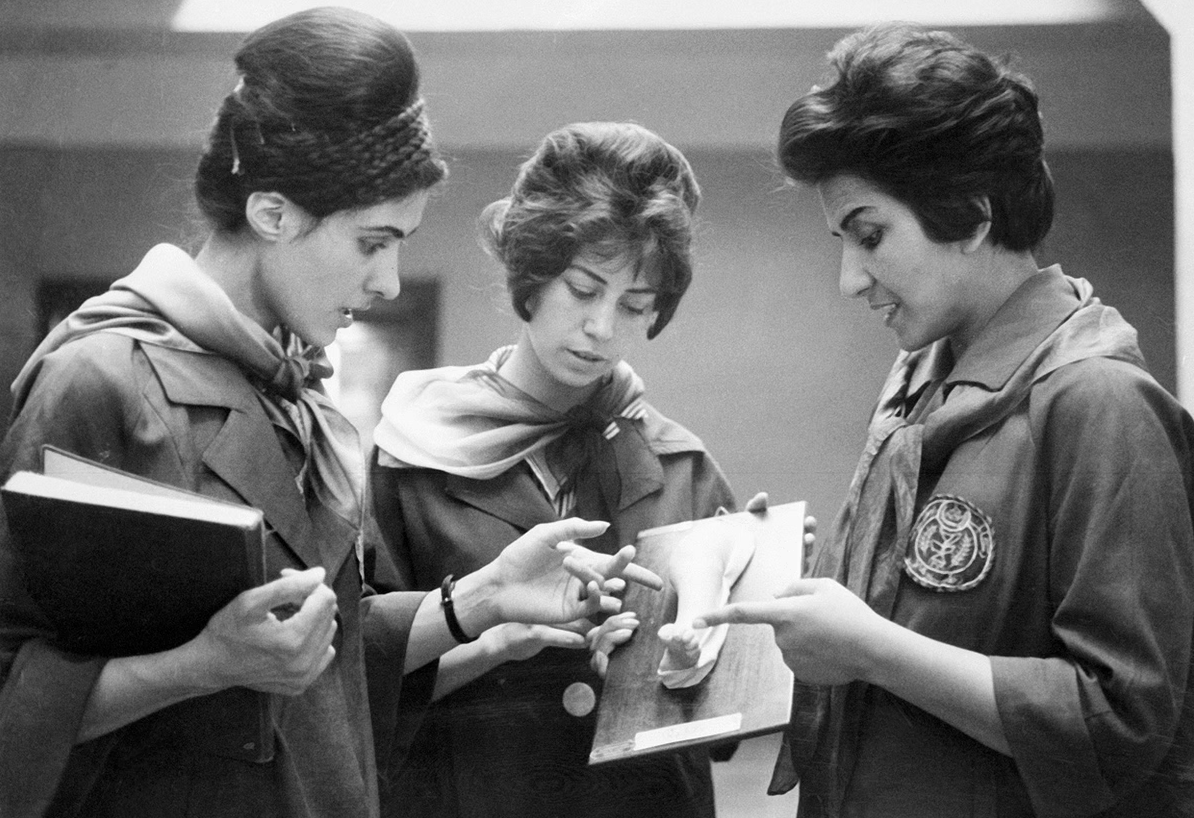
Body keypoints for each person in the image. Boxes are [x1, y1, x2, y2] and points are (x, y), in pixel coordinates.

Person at [0, 9, 656, 817]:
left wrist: (479, 600)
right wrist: (202, 665)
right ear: (272, 214)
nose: (388, 281)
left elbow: (327, 668)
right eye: (373, 242)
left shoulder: (297, 396)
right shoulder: (97, 377)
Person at [696, 22, 1194, 817]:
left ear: (969, 213)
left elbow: (1117, 721)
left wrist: (871, 648)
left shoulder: (1099, 403)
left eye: (869, 235)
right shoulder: (917, 390)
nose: (850, 279)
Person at [367, 121, 739, 818]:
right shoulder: (408, 456)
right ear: (532, 273)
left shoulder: (683, 468)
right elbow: (347, 690)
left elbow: (721, 727)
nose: (602, 327)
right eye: (582, 288)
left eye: (635, 305)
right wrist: (490, 646)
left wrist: (701, 653)